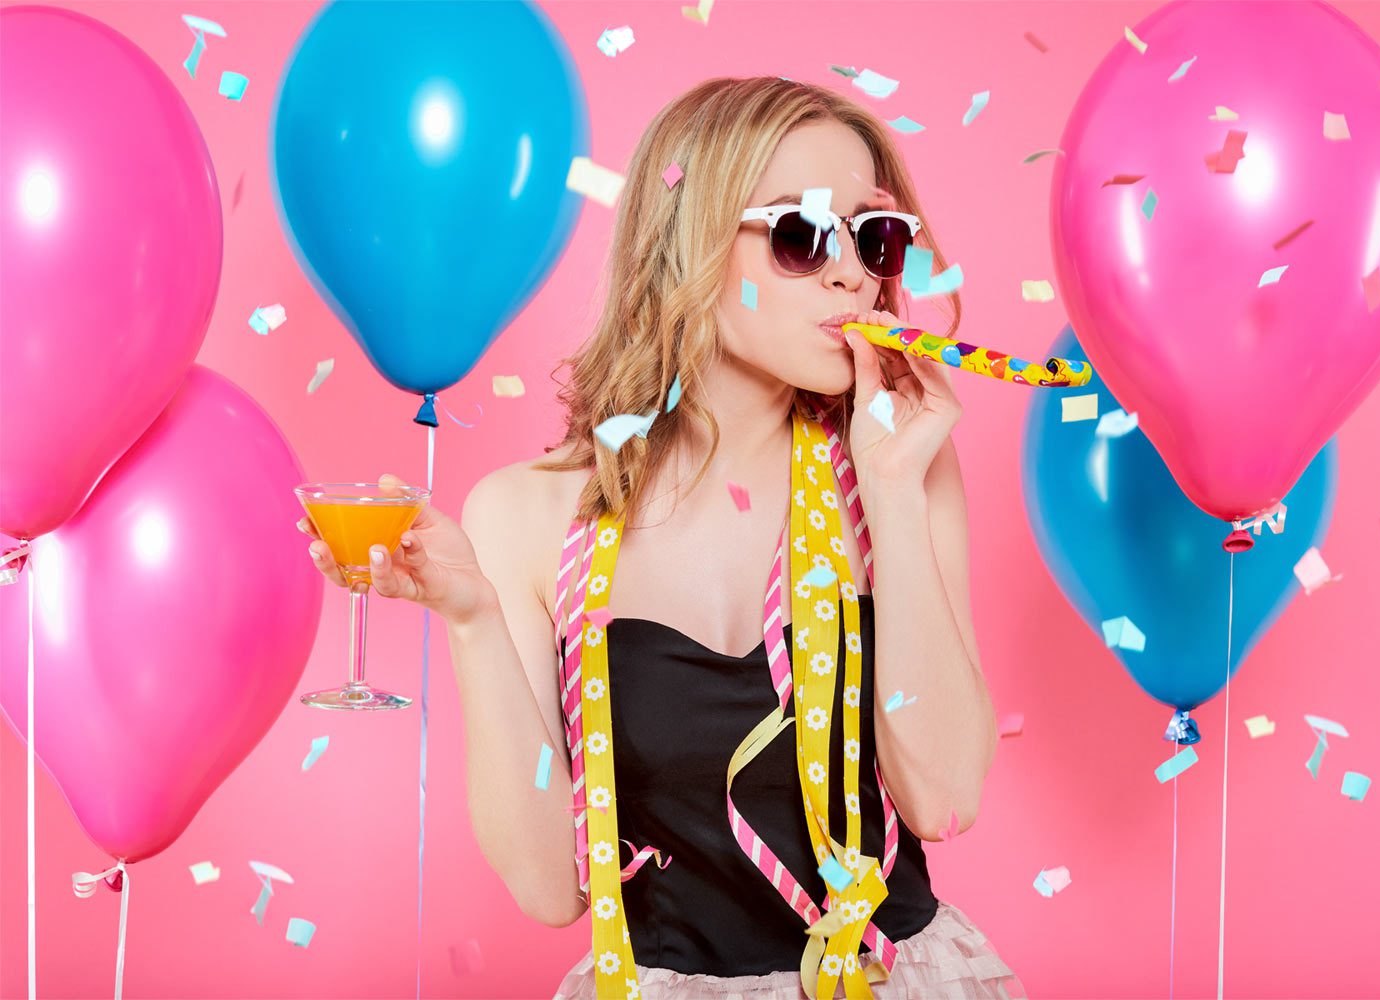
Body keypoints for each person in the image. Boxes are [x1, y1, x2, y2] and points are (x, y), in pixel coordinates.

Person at [298, 76, 1025, 1000]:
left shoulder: (901, 465)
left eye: (874, 237)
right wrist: (473, 616)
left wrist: (887, 488)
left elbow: (946, 796)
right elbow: (549, 889)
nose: (853, 274)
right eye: (803, 235)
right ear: (691, 245)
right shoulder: (527, 515)